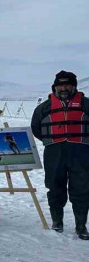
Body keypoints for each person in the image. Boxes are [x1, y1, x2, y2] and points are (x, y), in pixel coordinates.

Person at [31, 70, 89, 239]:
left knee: (82, 189)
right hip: (54, 152)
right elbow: (36, 128)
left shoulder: (86, 105)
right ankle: (57, 222)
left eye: (67, 84)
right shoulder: (44, 108)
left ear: (74, 86)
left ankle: (81, 225)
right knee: (55, 187)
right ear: (55, 87)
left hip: (82, 152)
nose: (64, 88)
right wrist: (53, 140)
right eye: (60, 85)